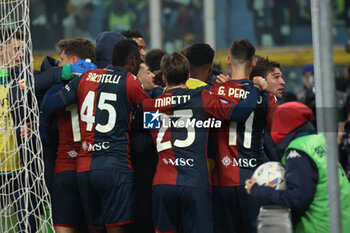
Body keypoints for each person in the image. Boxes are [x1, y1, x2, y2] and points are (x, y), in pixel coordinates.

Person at [140, 52, 268, 233]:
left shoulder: (150, 106)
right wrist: (255, 88)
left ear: (164, 77)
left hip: (163, 184)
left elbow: (143, 139)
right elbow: (240, 113)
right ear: (188, 76)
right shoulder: (202, 98)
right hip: (195, 185)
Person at [41, 39, 149, 233]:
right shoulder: (130, 81)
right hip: (116, 166)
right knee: (117, 228)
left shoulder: (86, 77)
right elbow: (151, 115)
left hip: (85, 168)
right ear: (133, 60)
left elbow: (49, 105)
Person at [245, 101, 350, 233]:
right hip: (341, 223)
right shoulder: (318, 141)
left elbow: (297, 199)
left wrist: (258, 190)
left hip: (322, 227)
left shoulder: (299, 150)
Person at [210, 39, 278, 233]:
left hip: (222, 180)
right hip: (253, 179)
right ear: (254, 63)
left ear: (229, 60)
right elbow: (274, 139)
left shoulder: (215, 91)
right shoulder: (267, 96)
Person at [40, 37, 97, 233]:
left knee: (64, 226)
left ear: (73, 61)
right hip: (93, 165)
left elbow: (45, 112)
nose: (60, 64)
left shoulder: (57, 88)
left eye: (62, 59)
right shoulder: (103, 86)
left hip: (65, 165)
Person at [0, 27, 40, 233]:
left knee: (28, 224)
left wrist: (33, 125)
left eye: (23, 49)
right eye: (16, 49)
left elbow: (39, 112)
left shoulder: (26, 80)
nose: (21, 54)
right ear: (1, 50)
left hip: (19, 166)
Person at [249, 57, 285, 161]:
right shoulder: (254, 108)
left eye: (281, 77)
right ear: (260, 80)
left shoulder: (279, 104)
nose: (282, 82)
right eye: (276, 77)